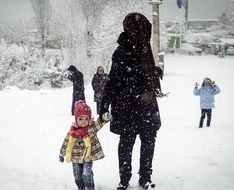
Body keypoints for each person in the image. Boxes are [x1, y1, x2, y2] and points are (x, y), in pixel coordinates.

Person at [99, 13, 163, 190]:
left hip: (145, 106)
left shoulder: (145, 47)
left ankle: (145, 178)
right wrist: (104, 106)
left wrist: (154, 71)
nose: (146, 31)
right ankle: (125, 180)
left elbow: (145, 72)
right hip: (128, 107)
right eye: (143, 28)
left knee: (148, 142)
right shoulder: (122, 51)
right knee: (127, 144)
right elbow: (114, 80)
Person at [59, 100, 111, 190]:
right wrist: (61, 153)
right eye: (81, 119)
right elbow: (66, 142)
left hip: (87, 156)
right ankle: (81, 187)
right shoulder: (72, 131)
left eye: (86, 119)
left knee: (86, 174)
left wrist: (106, 117)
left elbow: (100, 122)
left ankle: (90, 187)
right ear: (76, 119)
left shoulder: (91, 128)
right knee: (77, 175)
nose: (84, 122)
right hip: (75, 157)